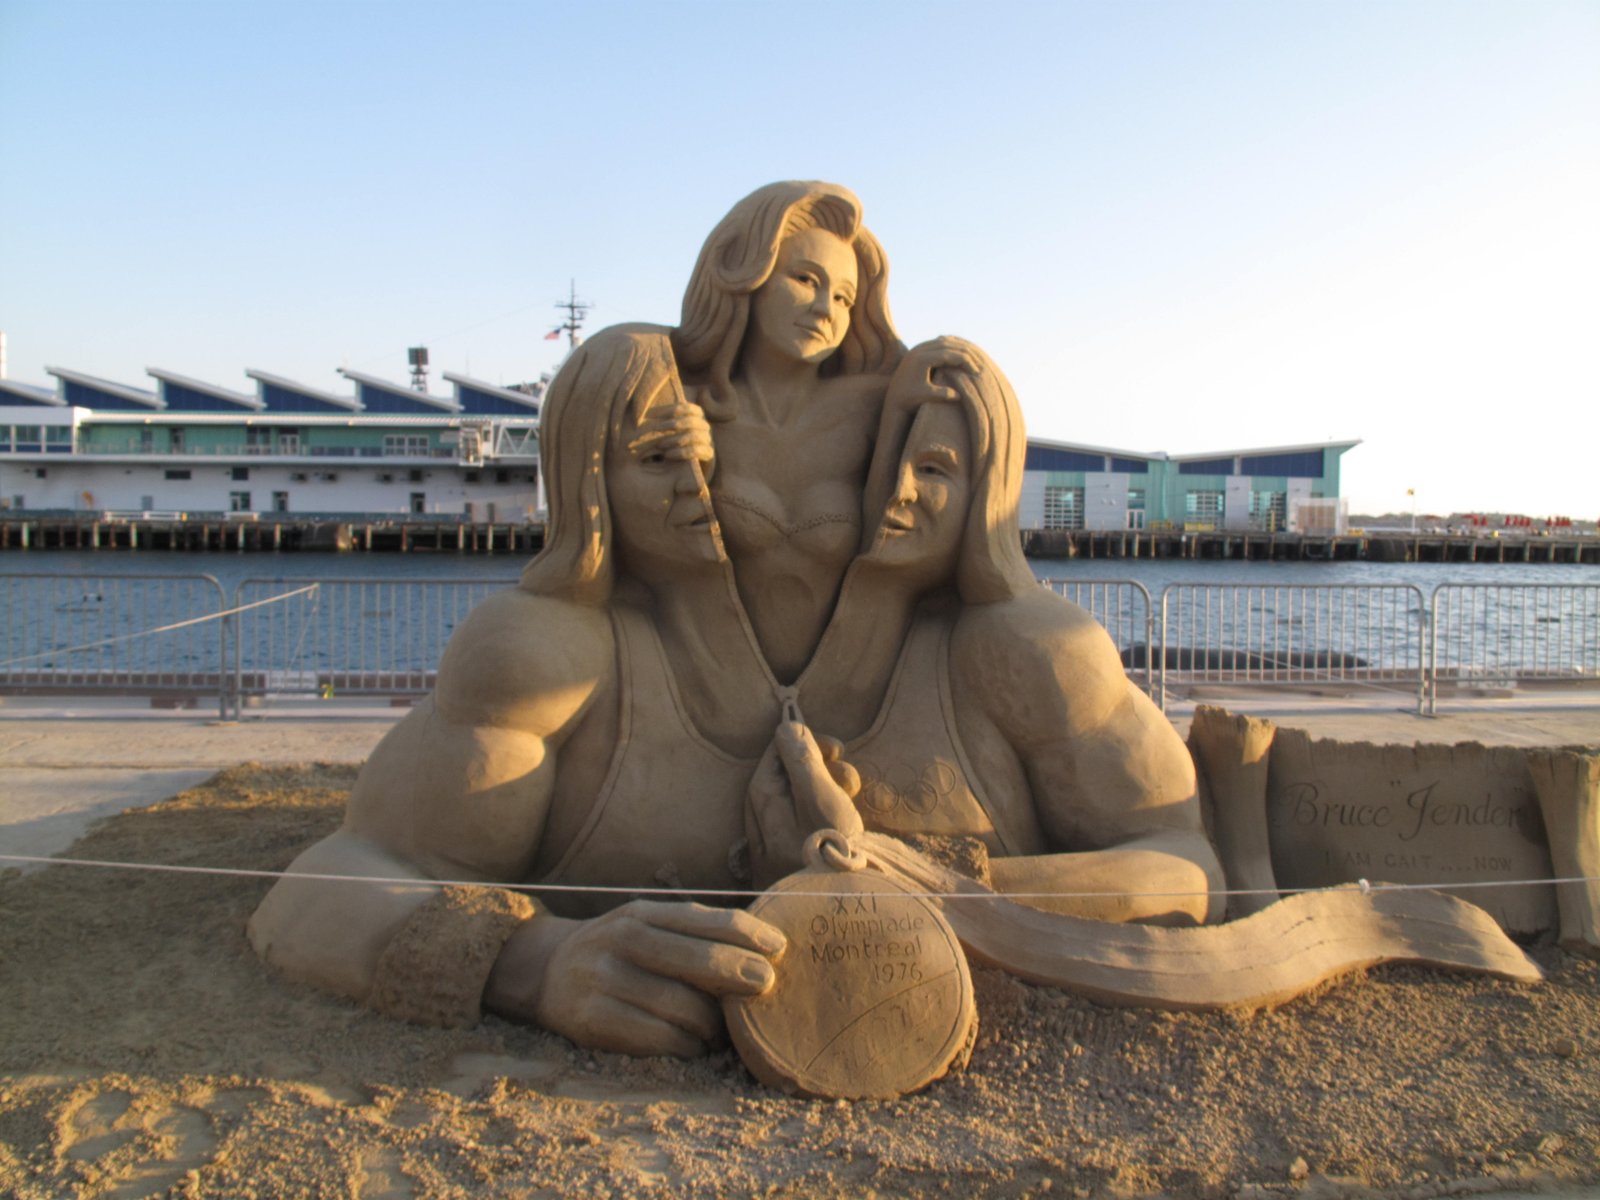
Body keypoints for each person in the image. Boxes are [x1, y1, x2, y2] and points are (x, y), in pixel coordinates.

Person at [250, 326, 798, 1060]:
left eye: (711, 457)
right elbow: (328, 886)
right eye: (660, 458)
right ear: (589, 480)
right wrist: (533, 964)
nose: (699, 484)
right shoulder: (539, 657)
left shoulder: (861, 649)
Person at [748, 338, 1224, 924]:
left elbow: (1186, 870)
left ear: (988, 489)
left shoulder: (1032, 648)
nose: (898, 491)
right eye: (880, 462)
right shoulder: (762, 652)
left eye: (933, 469)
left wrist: (899, 886)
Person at [671, 181, 966, 684]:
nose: (826, 308)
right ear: (750, 276)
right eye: (806, 279)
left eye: (845, 297)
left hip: (851, 688)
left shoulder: (878, 405)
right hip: (710, 687)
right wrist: (667, 460)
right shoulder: (688, 407)